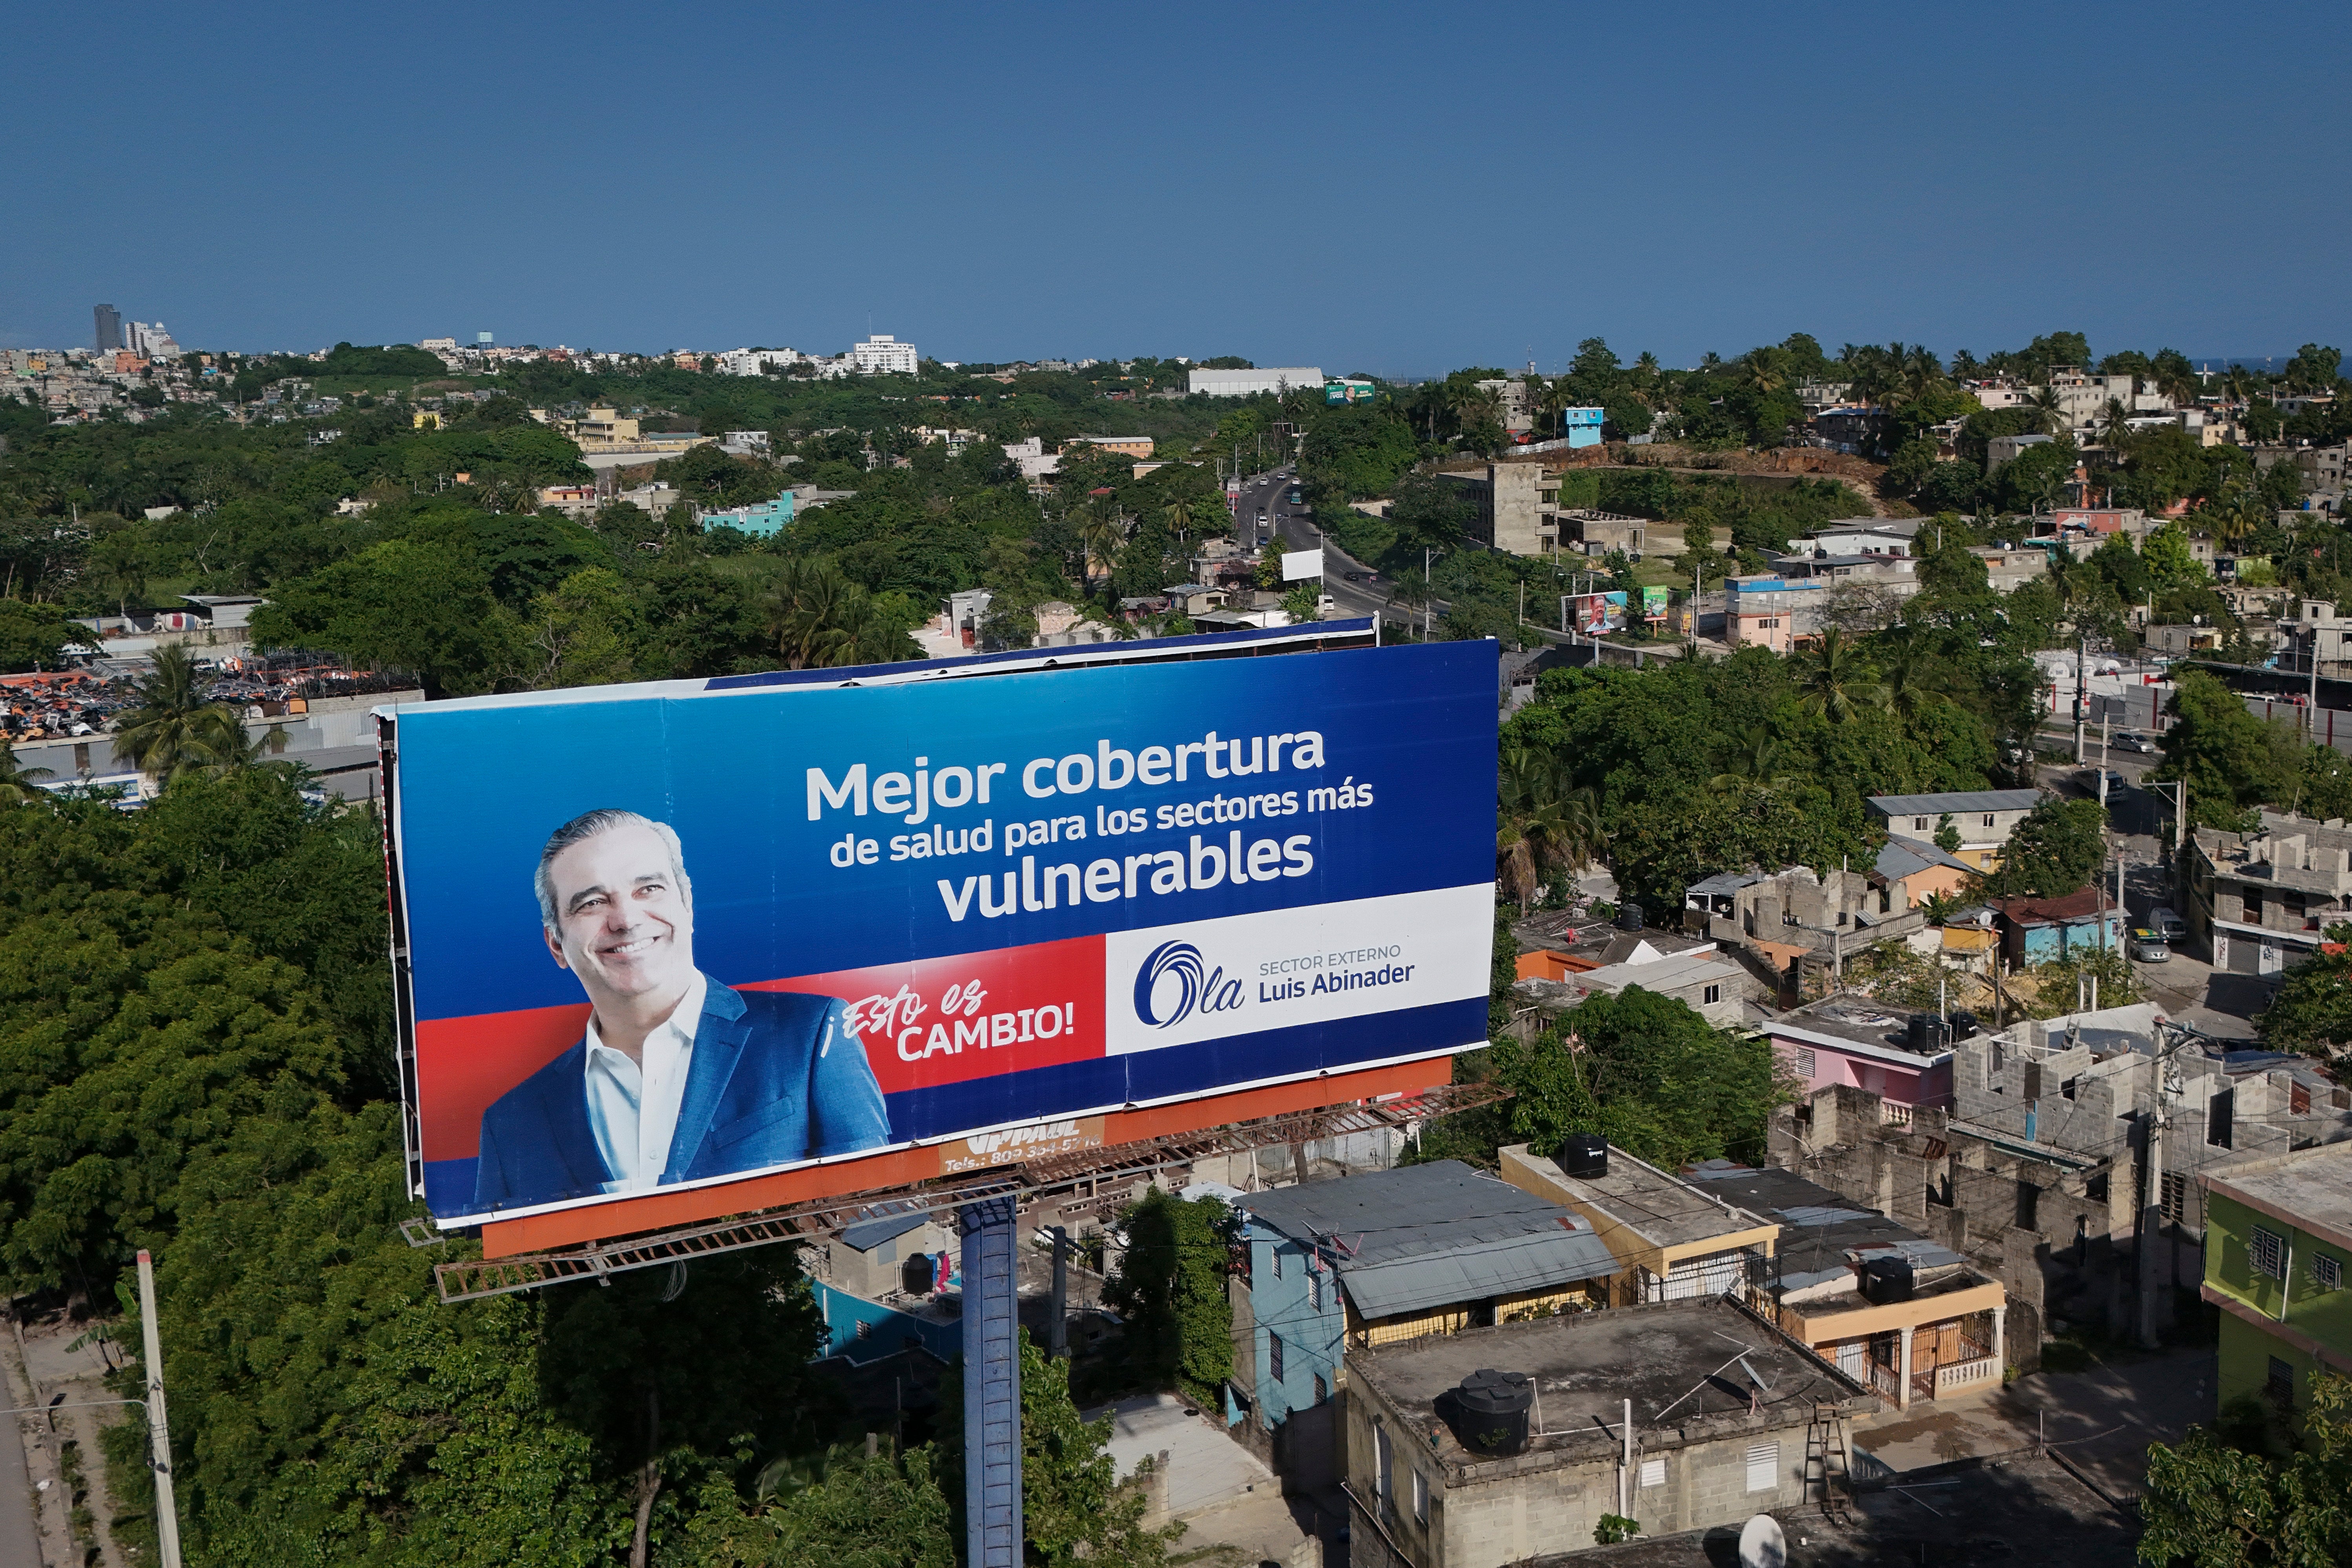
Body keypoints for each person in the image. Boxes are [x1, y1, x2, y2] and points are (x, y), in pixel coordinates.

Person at [471, 808, 889, 1211]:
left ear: (687, 903)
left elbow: (878, 1209)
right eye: (592, 903)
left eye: (648, 889)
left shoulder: (810, 1034)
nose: (626, 919)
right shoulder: (510, 1124)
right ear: (556, 944)